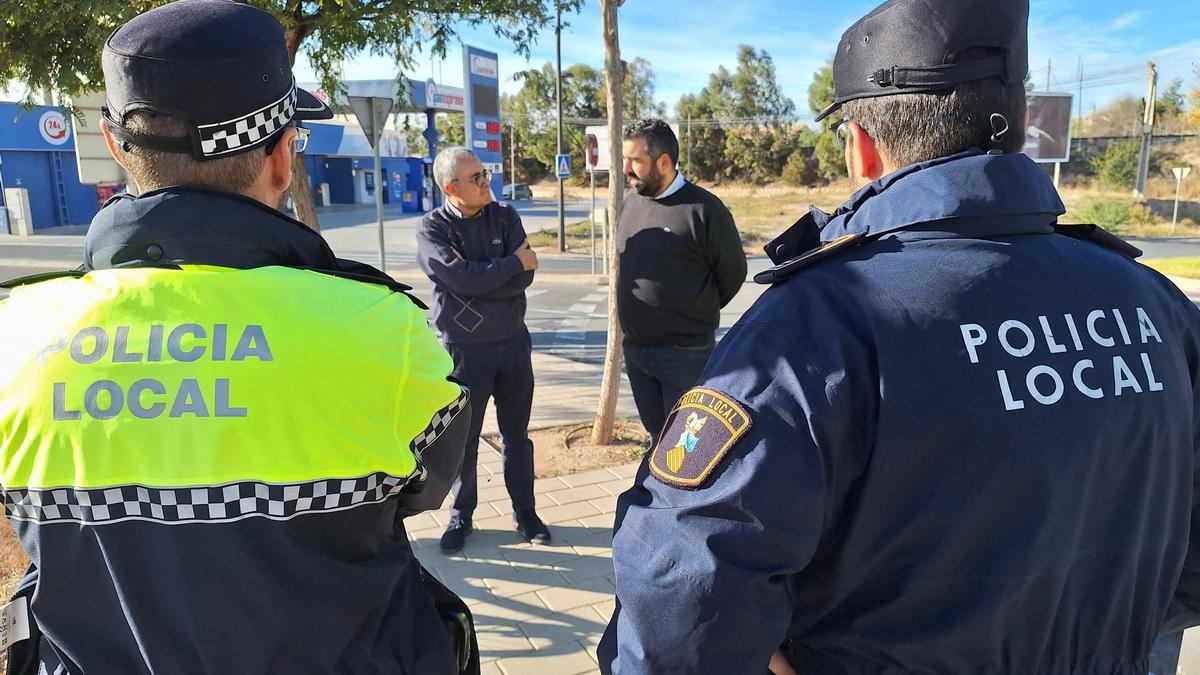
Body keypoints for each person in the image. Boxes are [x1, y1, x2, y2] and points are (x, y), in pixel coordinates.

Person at [600, 0, 1200, 672]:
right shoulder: (1156, 303)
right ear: (1019, 125)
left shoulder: (816, 324)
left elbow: (680, 603)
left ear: (860, 143)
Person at [0, 1, 478, 673]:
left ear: (114, 147)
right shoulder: (381, 327)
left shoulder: (14, 330)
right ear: (283, 156)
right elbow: (426, 486)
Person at [416, 147, 550, 554]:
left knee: (516, 436)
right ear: (450, 188)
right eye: (475, 178)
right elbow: (458, 278)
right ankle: (462, 514)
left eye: (485, 174)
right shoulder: (432, 229)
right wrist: (510, 264)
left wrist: (483, 278)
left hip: (511, 344)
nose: (485, 182)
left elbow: (517, 282)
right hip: (462, 349)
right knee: (464, 439)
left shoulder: (505, 217)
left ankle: (525, 512)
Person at [616, 119, 747, 442]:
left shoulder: (704, 210)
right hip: (636, 352)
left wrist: (692, 312)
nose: (626, 170)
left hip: (684, 355)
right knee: (656, 439)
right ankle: (657, 494)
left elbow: (732, 274)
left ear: (664, 162)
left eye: (634, 161)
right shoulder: (631, 205)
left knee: (688, 448)